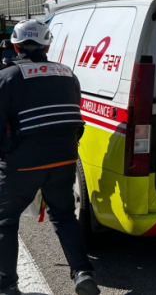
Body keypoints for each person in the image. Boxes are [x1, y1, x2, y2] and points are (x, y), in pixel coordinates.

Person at [0, 20, 100, 295]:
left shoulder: (7, 76)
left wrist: (7, 154)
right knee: (65, 215)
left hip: (22, 163)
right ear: (46, 44)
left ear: (16, 44)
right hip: (64, 158)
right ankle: (82, 273)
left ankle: (7, 286)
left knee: (6, 221)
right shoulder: (67, 73)